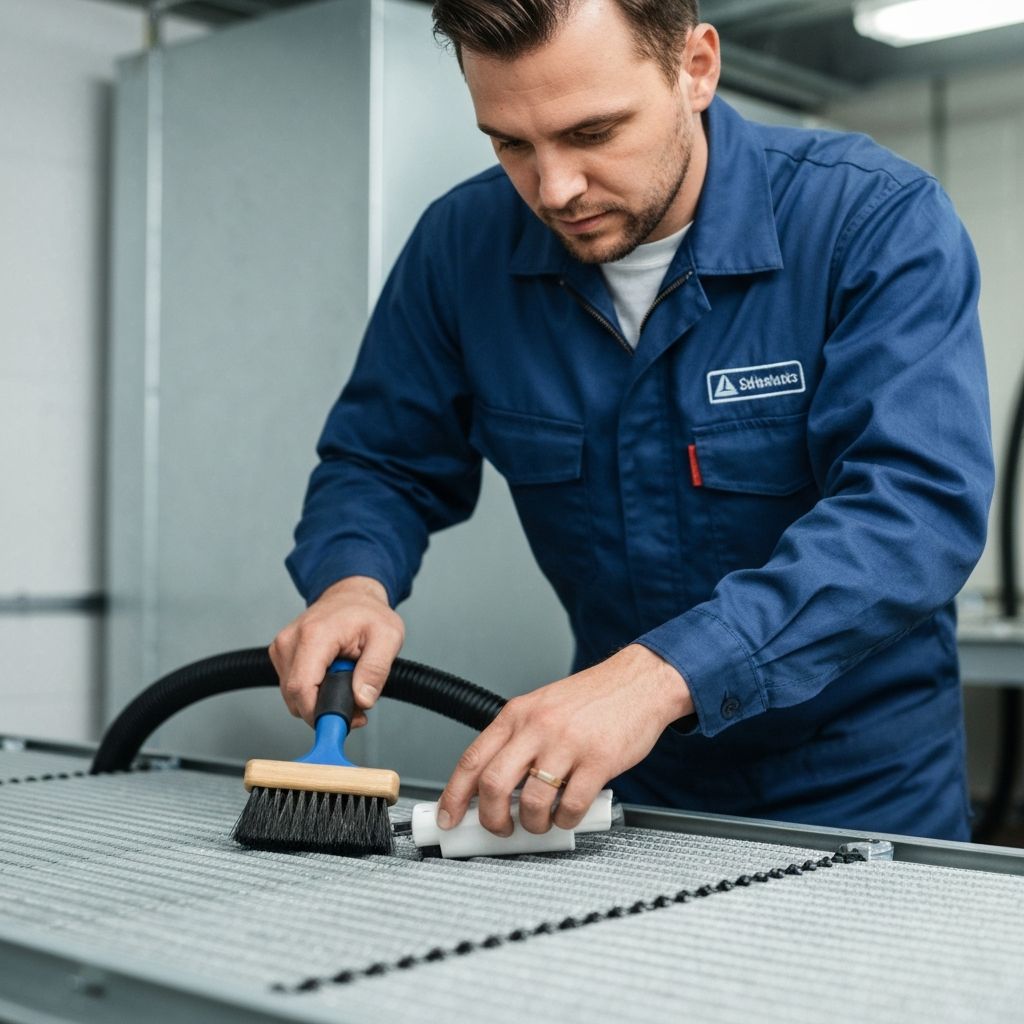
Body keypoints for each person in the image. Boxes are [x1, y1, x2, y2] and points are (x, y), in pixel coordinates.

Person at [270, 0, 993, 843]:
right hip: (623, 787)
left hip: (863, 787)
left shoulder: (870, 221)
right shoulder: (459, 249)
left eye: (592, 133)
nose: (555, 189)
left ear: (696, 68)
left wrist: (659, 678)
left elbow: (912, 509)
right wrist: (353, 580)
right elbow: (381, 461)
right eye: (510, 143)